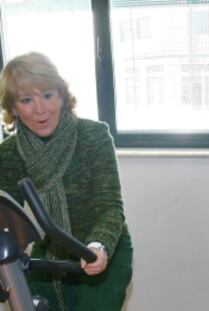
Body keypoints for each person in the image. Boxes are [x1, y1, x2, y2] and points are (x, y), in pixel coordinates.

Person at [0, 52, 133, 310]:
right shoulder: (9, 152)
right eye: (27, 100)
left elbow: (109, 205)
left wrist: (99, 246)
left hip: (100, 248)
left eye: (47, 95)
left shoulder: (94, 135)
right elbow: (5, 217)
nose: (40, 109)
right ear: (13, 108)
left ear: (61, 95)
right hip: (50, 251)